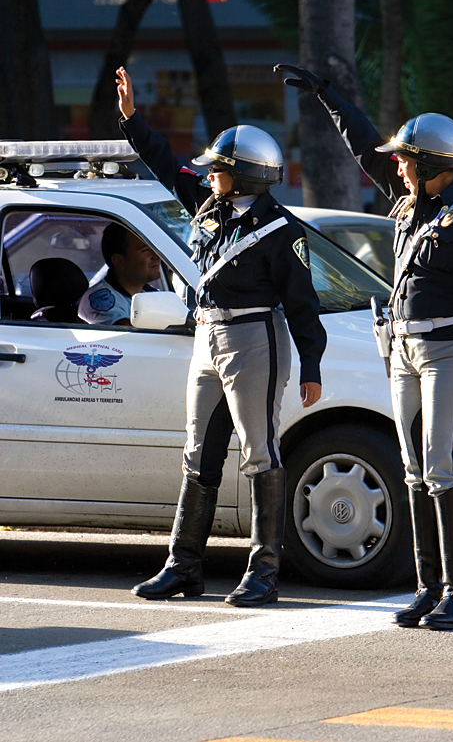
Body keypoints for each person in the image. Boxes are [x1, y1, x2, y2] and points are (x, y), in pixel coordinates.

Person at [274, 64, 453, 630]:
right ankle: (430, 587)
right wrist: (329, 97)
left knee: (441, 467)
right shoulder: (410, 206)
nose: (398, 167)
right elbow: (365, 149)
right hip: (402, 348)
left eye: (407, 159)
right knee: (411, 470)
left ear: (434, 165)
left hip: (448, 347)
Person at [116, 66, 326, 607]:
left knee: (258, 454)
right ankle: (183, 566)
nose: (209, 176)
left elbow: (303, 305)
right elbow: (168, 167)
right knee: (197, 453)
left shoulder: (281, 231)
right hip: (208, 336)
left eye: (219, 170)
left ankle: (264, 573)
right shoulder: (209, 208)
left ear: (244, 177)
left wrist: (311, 366)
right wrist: (132, 121)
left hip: (254, 336)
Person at [79, 223, 160, 325]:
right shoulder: (101, 299)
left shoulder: (148, 293)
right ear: (119, 261)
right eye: (145, 250)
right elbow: (130, 335)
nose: (157, 256)